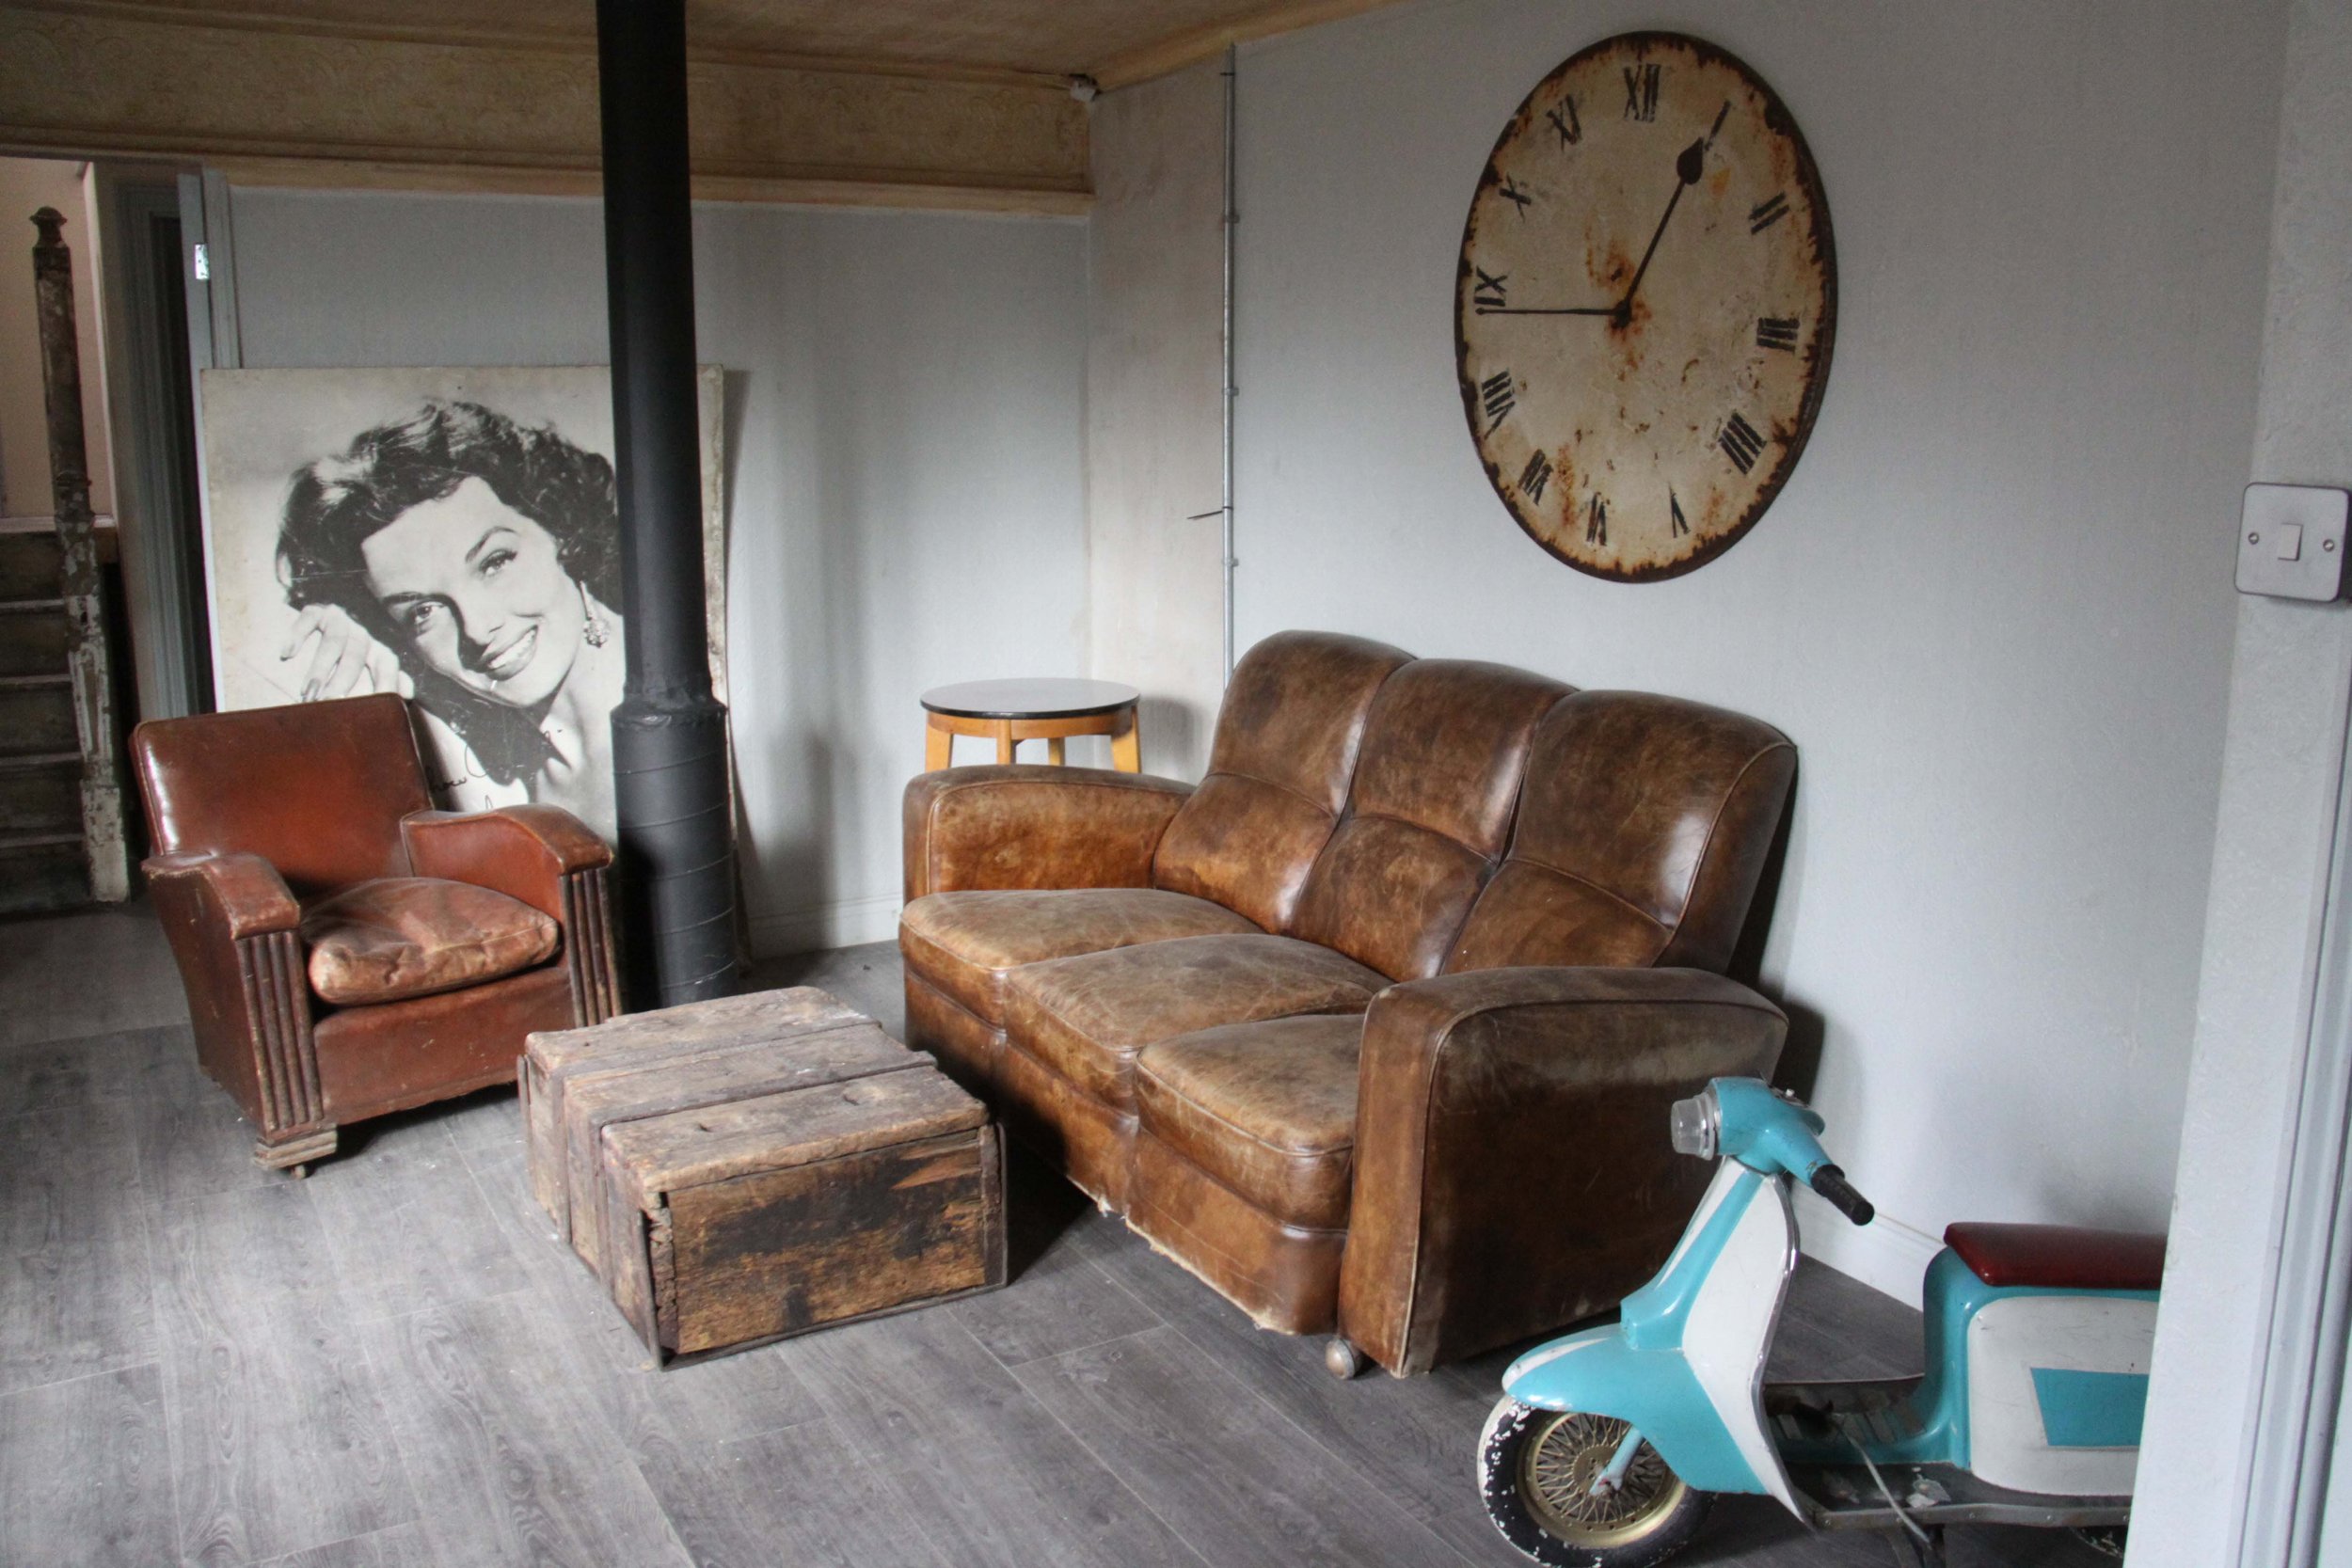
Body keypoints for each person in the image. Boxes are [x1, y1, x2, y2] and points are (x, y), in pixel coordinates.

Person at [276, 399, 625, 833]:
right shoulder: (495, 772)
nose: (477, 630)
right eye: (423, 610)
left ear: (557, 526)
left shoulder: (680, 711)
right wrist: (348, 626)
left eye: (494, 562)